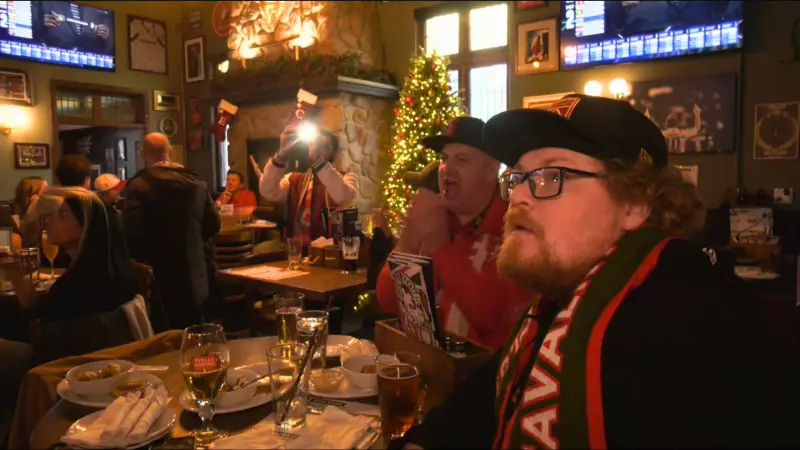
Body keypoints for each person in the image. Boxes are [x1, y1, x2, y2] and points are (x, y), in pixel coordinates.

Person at [394, 95, 798, 449]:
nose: (518, 196)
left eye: (551, 175)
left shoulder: (693, 332)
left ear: (634, 203)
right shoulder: (561, 302)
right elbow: (487, 398)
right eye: (517, 177)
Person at [376, 117, 531, 351]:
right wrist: (408, 242)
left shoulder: (515, 227)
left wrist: (439, 246)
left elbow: (492, 317)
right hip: (428, 360)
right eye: (444, 159)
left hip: (486, 369)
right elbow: (388, 302)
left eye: (462, 160)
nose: (447, 169)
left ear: (490, 170)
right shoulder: (437, 218)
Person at [0, 187, 137, 409]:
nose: (49, 222)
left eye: (61, 216)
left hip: (59, 368)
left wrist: (15, 274)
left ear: (86, 228)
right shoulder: (103, 270)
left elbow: (34, 318)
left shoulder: (82, 282)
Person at [122, 132, 221, 329]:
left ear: (142, 153)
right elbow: (213, 225)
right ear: (170, 151)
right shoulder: (196, 182)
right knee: (197, 330)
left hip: (158, 277)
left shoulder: (138, 185)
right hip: (195, 271)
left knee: (164, 333)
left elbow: (132, 233)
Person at [258, 124, 358, 247]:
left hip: (329, 251)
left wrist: (318, 161)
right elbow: (267, 192)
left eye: (322, 145)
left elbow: (343, 197)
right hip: (296, 250)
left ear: (332, 152)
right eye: (314, 143)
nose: (316, 148)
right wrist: (282, 153)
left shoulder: (347, 178)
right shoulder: (293, 179)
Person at [11, 177, 47, 248]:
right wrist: (32, 209)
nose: (48, 192)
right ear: (33, 192)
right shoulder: (13, 209)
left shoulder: (46, 208)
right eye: (45, 189)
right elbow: (20, 235)